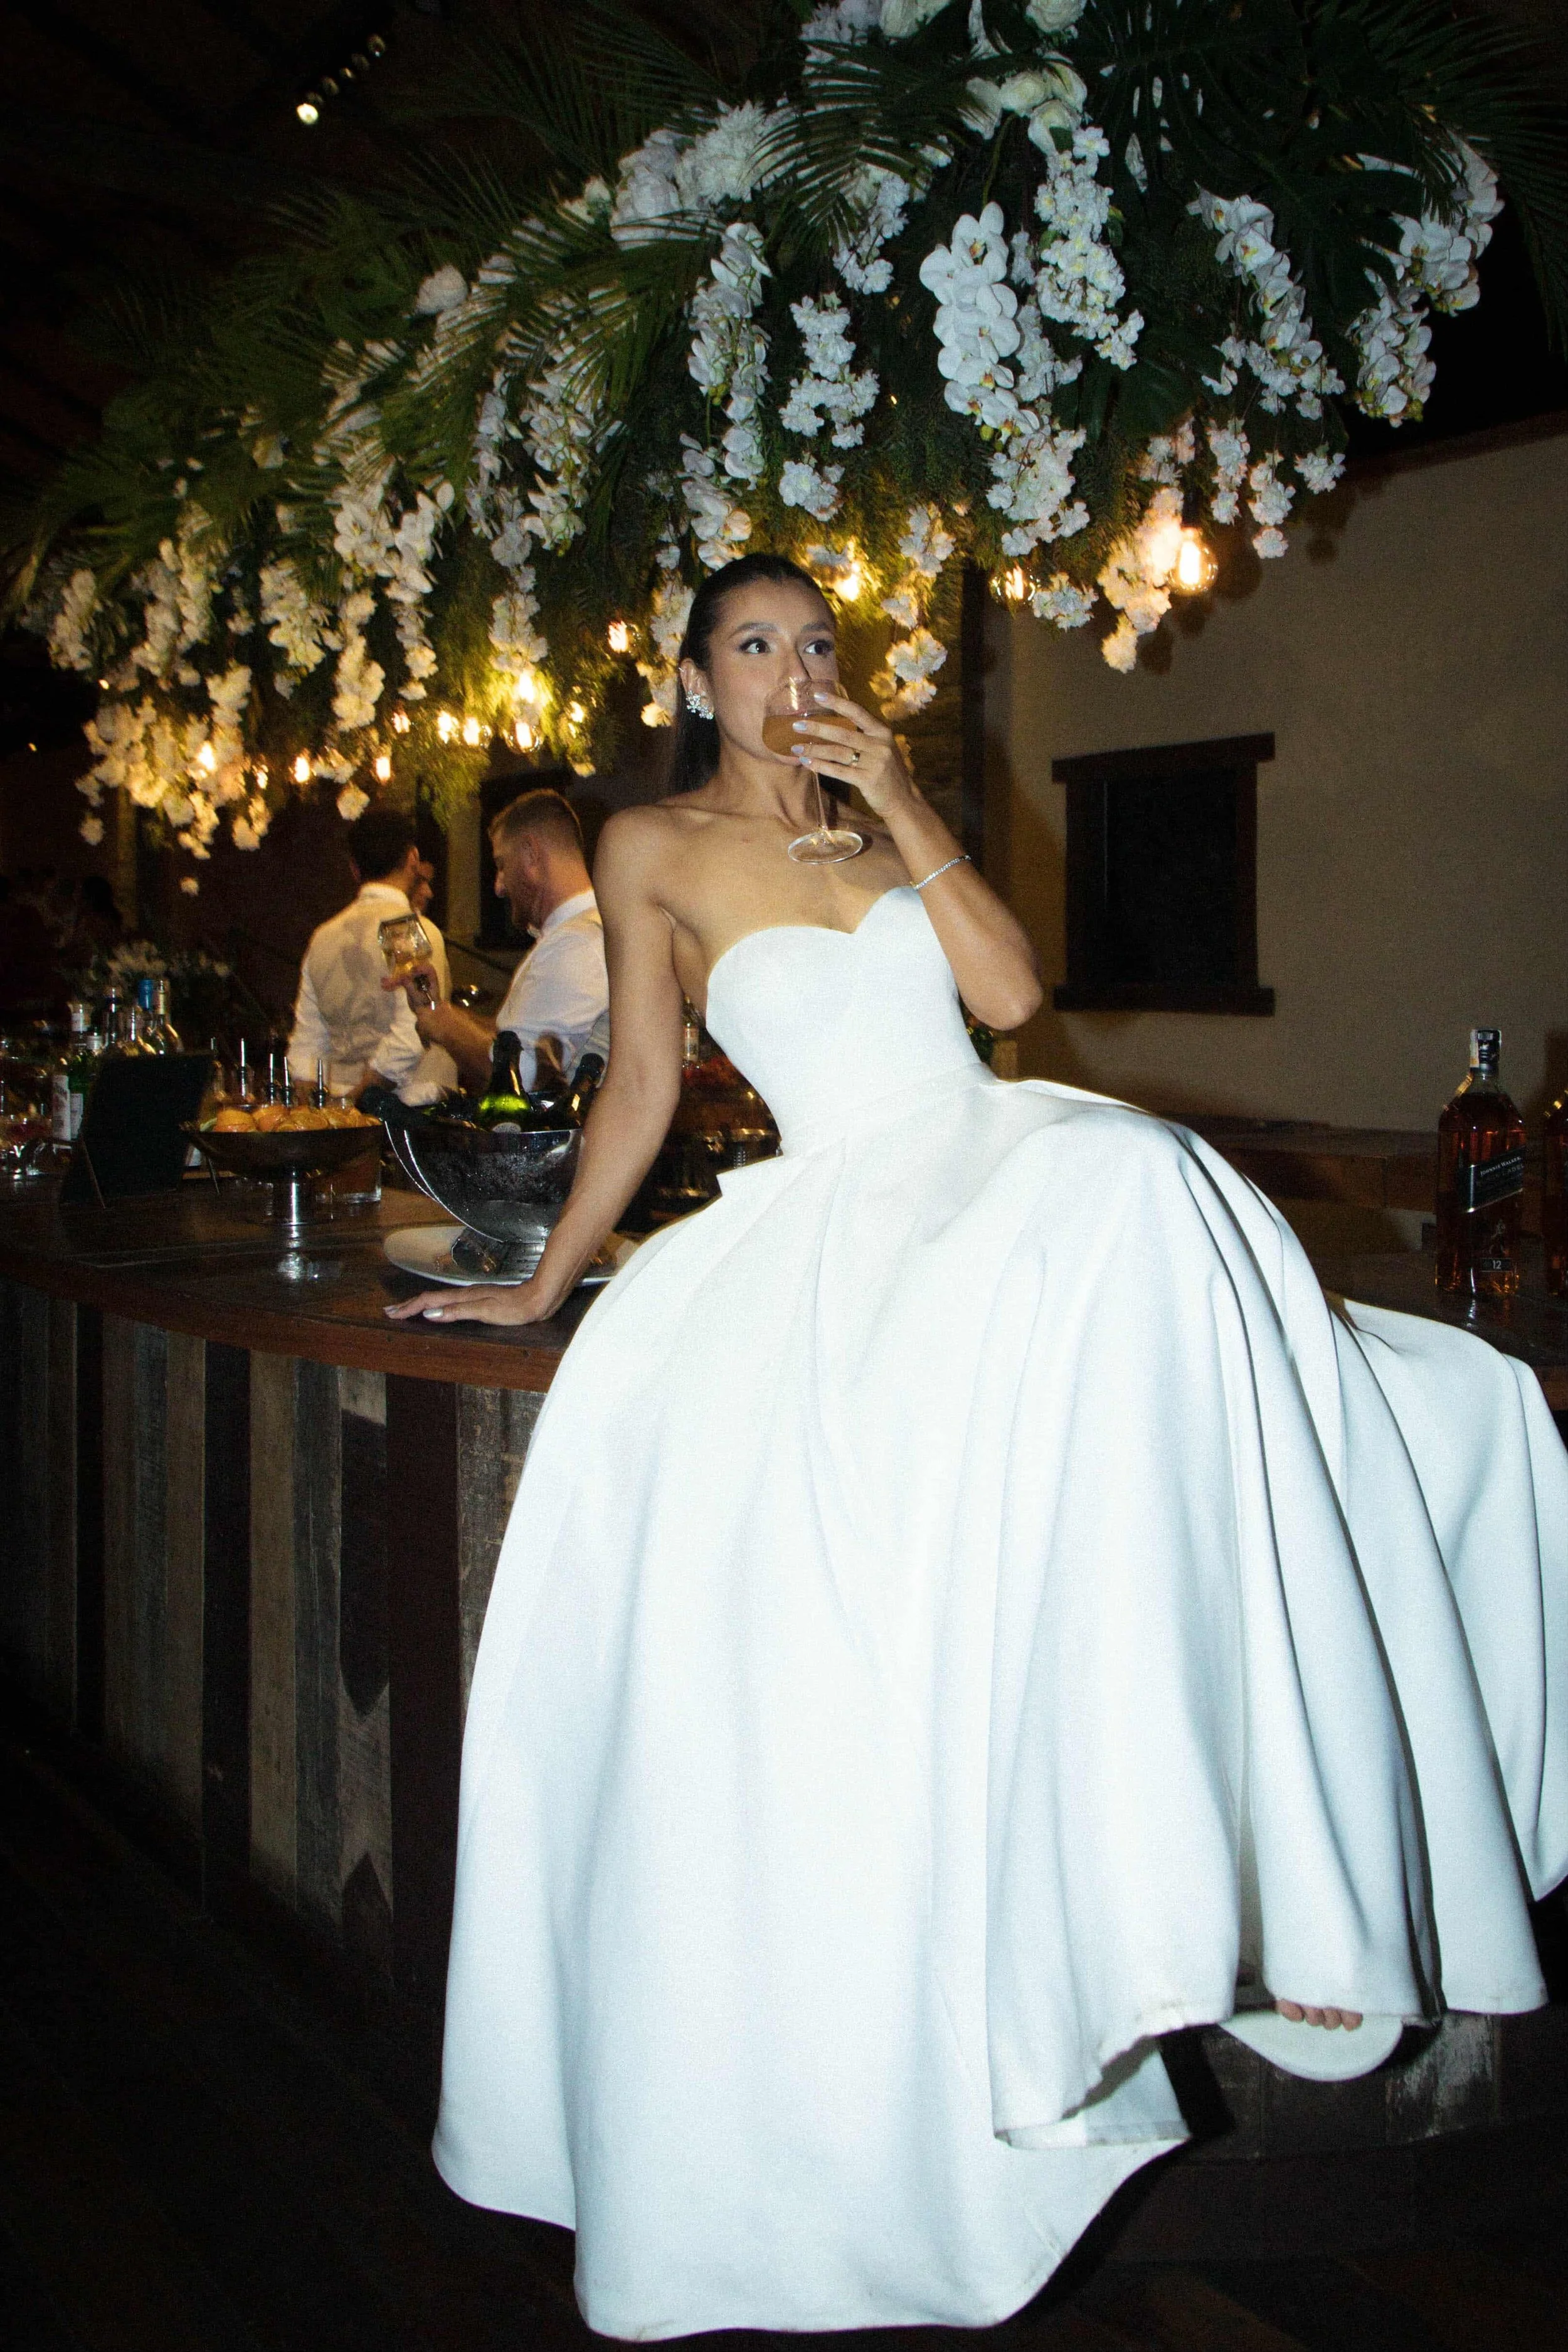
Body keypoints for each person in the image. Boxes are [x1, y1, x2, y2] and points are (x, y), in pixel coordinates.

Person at [388, 554, 1568, 2337]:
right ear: (699, 678)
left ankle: (1225, 1827)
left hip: (998, 1160)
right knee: (1127, 1182)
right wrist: (541, 1279)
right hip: (853, 1203)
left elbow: (1009, 1003)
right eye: (755, 646)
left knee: (1161, 1185)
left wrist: (905, 795)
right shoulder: (646, 848)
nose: (792, 670)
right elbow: (636, 1079)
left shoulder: (881, 829)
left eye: (814, 643)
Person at [386, 787, 606, 1091]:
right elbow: (509, 1038)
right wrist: (436, 1008)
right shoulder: (573, 935)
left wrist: (444, 1024)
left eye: (502, 865)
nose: (499, 887)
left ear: (530, 855)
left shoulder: (579, 942)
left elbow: (522, 1075)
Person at [287, 805, 446, 1103]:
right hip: (405, 1108)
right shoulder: (405, 929)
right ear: (413, 859)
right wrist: (358, 1103)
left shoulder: (324, 935)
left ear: (354, 869)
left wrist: (317, 1111)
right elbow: (412, 1032)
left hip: (337, 1105)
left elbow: (307, 1041)